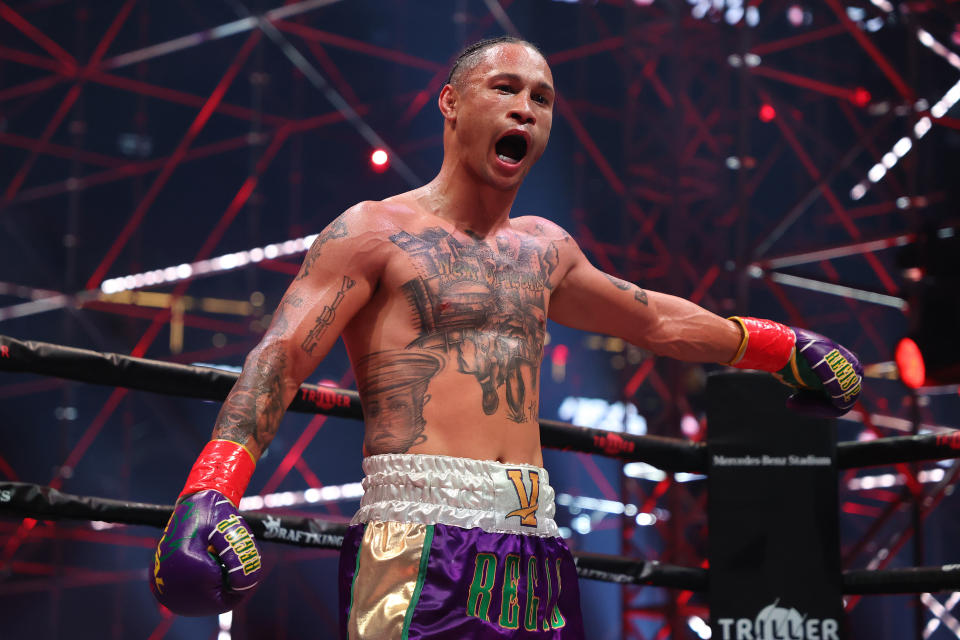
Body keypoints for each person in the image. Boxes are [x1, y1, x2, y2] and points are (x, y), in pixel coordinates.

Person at [149, 36, 863, 638]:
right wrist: (211, 489)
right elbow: (281, 357)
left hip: (535, 540)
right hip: (415, 538)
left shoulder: (544, 249)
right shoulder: (373, 231)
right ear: (452, 103)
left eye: (542, 98)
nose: (526, 106)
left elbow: (654, 320)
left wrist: (781, 347)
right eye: (505, 87)